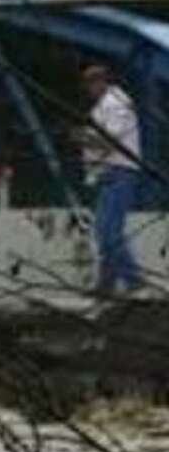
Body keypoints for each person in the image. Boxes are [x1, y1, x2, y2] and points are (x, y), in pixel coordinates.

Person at [80, 64, 144, 297]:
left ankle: (133, 279)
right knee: (104, 230)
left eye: (92, 83)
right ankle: (107, 282)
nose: (90, 89)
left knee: (109, 231)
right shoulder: (104, 106)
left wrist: (82, 137)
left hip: (120, 171)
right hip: (111, 172)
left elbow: (111, 139)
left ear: (102, 82)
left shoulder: (115, 104)